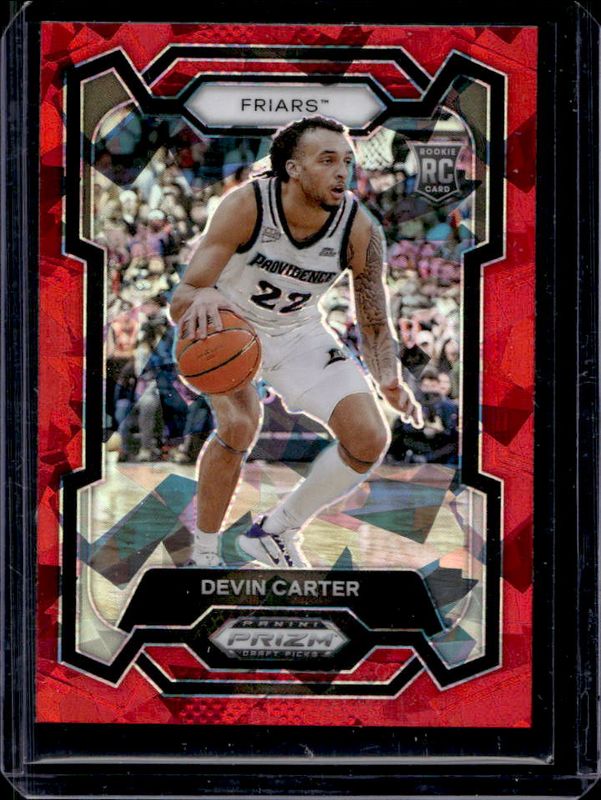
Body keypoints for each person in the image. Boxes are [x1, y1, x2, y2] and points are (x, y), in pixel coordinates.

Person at [170, 116, 423, 568]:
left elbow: (373, 319)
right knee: (239, 425)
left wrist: (388, 377)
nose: (342, 172)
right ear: (293, 168)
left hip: (297, 329)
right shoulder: (246, 205)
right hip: (228, 324)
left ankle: (275, 530)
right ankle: (204, 555)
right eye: (327, 161)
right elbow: (181, 299)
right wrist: (200, 296)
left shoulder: (360, 228)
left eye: (346, 161)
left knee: (369, 437)